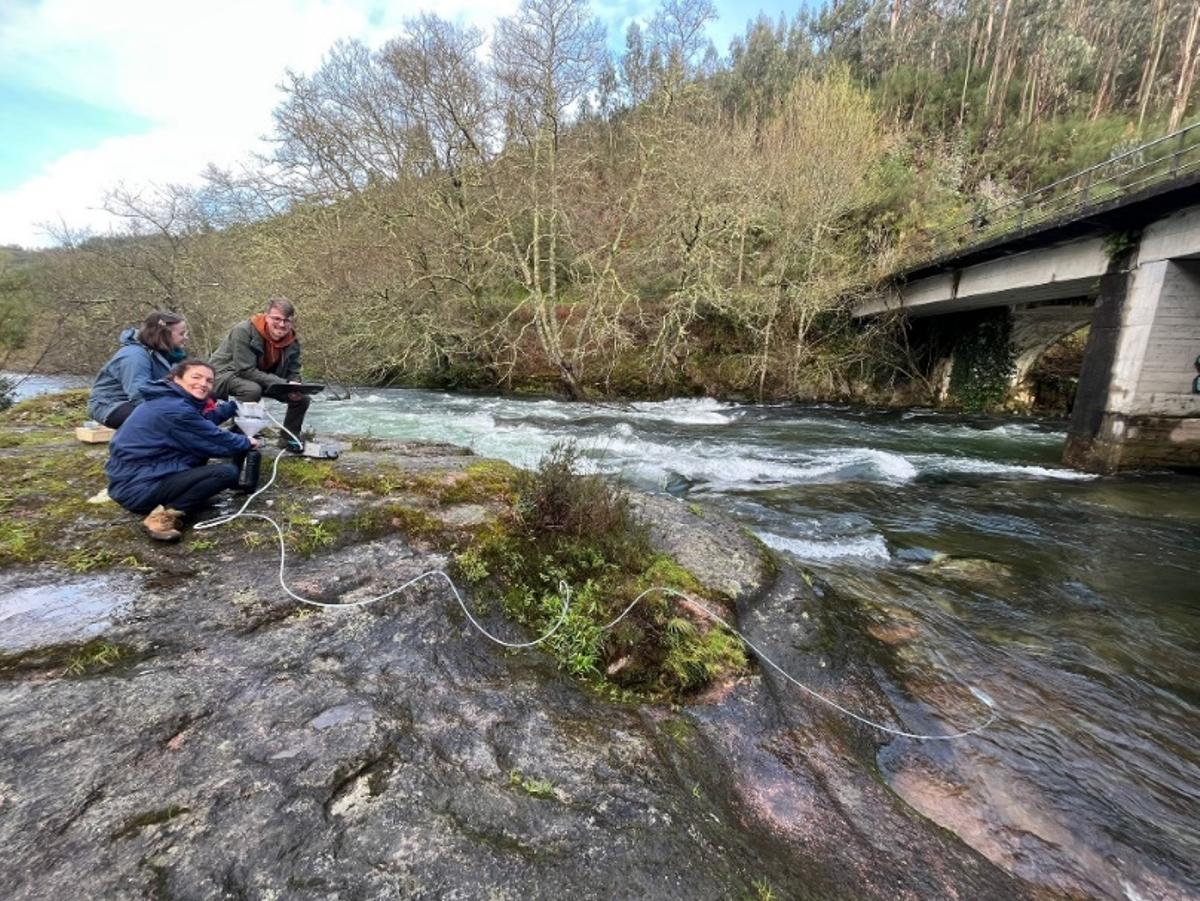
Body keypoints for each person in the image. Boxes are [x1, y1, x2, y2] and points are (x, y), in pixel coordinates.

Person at [106, 359, 259, 541]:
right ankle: (162, 517)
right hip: (139, 488)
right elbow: (216, 441)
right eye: (196, 377)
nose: (203, 383)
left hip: (139, 478)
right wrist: (247, 441)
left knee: (201, 461)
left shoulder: (171, 401)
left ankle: (187, 497)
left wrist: (234, 407)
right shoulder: (175, 409)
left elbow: (202, 421)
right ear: (177, 379)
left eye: (209, 381)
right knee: (226, 473)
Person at [210, 298, 310, 451]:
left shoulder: (292, 341)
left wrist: (295, 385)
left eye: (287, 320)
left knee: (302, 398)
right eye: (277, 319)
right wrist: (283, 383)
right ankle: (239, 436)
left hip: (262, 378)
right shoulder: (243, 331)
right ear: (266, 317)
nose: (282, 324)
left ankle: (289, 439)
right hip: (225, 373)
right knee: (251, 389)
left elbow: (293, 371)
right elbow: (244, 369)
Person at [88, 311, 189, 429]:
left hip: (139, 402)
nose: (186, 338)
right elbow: (139, 394)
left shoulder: (167, 356)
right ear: (164, 334)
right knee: (162, 420)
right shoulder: (134, 356)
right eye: (182, 334)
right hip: (111, 405)